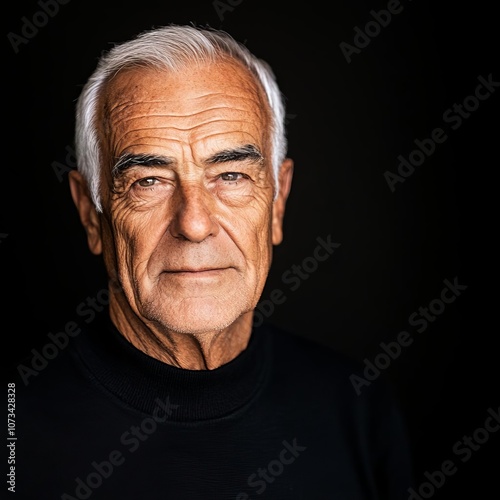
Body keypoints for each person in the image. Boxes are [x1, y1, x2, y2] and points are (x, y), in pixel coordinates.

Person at [11, 24, 414, 499]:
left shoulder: (356, 408)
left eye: (230, 175)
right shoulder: (14, 432)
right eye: (148, 181)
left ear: (278, 202)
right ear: (90, 213)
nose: (195, 224)